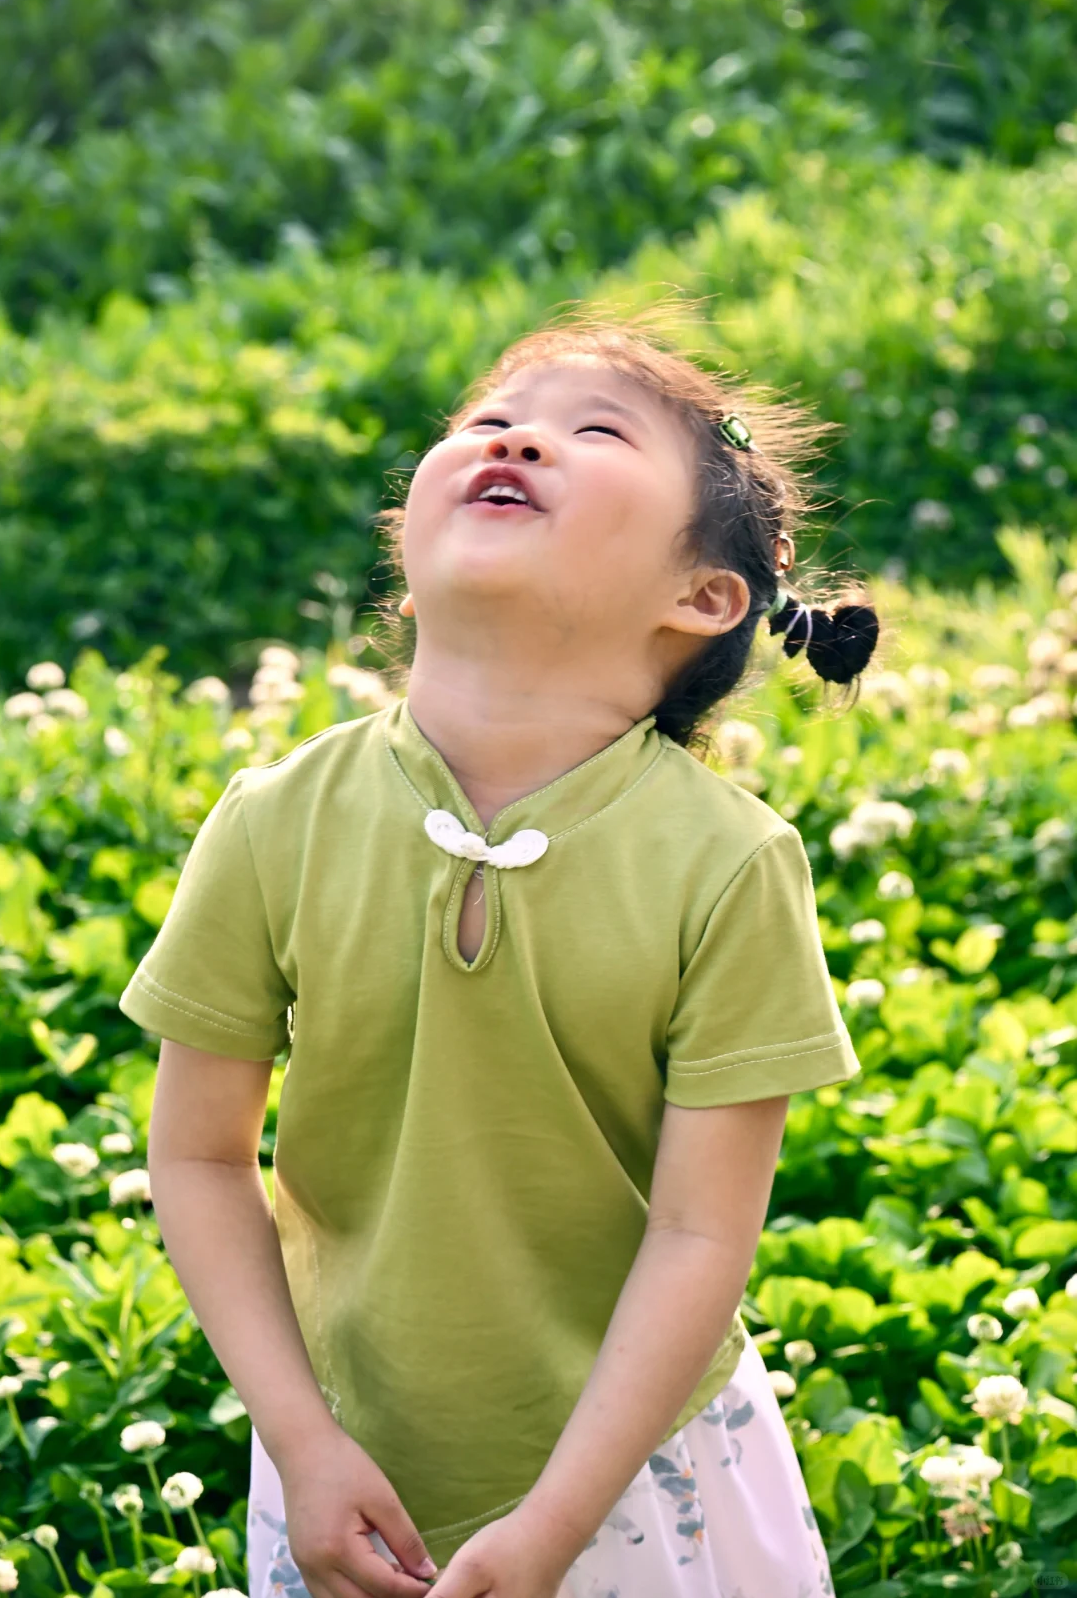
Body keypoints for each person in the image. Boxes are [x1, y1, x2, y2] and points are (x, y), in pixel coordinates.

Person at [118, 316, 879, 1598]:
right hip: (342, 1465)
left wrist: (555, 1522)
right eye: (486, 423)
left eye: (595, 433)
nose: (515, 436)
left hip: (640, 1475)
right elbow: (196, 1155)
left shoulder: (728, 865)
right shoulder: (274, 817)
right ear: (410, 566)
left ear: (700, 599)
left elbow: (702, 1236)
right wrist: (302, 1442)